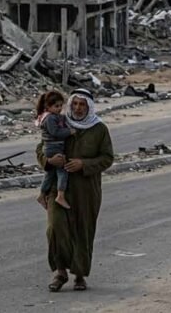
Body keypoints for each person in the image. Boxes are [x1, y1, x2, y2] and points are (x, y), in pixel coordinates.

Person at [36, 89, 114, 293]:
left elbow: (107, 158)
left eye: (82, 105)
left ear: (89, 107)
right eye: (75, 104)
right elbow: (41, 147)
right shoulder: (59, 122)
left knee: (83, 231)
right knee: (55, 227)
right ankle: (60, 272)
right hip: (59, 187)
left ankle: (79, 275)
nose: (78, 108)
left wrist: (84, 164)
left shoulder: (99, 129)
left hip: (86, 190)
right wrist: (47, 161)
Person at [36, 90, 75, 210]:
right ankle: (61, 195)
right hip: (54, 148)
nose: (59, 109)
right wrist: (70, 132)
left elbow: (61, 119)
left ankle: (42, 195)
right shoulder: (50, 119)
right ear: (48, 106)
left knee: (50, 174)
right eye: (56, 106)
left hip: (51, 147)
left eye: (60, 106)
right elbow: (56, 132)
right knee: (63, 170)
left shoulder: (51, 117)